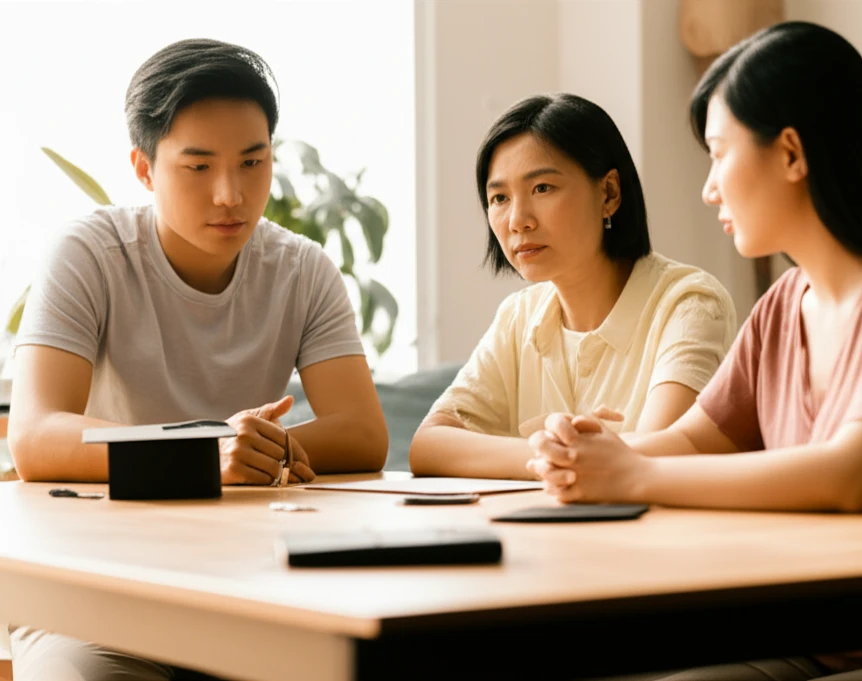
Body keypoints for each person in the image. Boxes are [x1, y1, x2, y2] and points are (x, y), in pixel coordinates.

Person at [528, 21, 862, 681]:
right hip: (811, 639)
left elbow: (850, 477)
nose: (708, 189)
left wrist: (629, 475)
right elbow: (696, 441)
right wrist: (588, 453)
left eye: (718, 152)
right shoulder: (784, 304)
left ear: (791, 153)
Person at [7, 38, 388, 681]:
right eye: (198, 167)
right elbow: (37, 437)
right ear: (142, 167)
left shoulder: (302, 270)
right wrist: (208, 454)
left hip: (253, 587)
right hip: (98, 592)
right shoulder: (89, 254)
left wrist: (258, 451)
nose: (230, 195)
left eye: (252, 162)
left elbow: (362, 434)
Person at [409, 93, 737, 480]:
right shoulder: (519, 315)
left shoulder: (689, 303)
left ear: (610, 193)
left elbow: (661, 455)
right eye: (499, 197)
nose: (518, 220)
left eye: (542, 188)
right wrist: (548, 451)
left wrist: (562, 455)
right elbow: (428, 446)